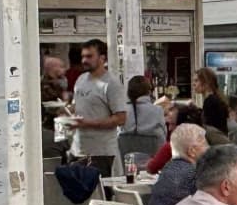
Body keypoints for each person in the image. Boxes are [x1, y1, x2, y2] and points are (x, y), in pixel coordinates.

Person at [67, 38, 125, 176]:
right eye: (83, 56)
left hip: (101, 153)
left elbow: (121, 118)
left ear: (102, 58)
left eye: (89, 56)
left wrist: (87, 123)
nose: (84, 60)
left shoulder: (111, 83)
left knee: (99, 189)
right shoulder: (81, 79)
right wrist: (66, 112)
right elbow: (77, 106)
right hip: (78, 150)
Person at [148, 123, 208, 205]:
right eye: (205, 144)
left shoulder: (167, 170)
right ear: (192, 151)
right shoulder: (193, 174)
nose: (208, 148)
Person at [146, 103, 203, 175]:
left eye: (172, 124)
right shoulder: (205, 143)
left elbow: (151, 168)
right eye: (168, 124)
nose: (169, 129)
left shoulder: (172, 147)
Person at [122, 76, 167, 151]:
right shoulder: (157, 110)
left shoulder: (122, 111)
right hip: (155, 155)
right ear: (149, 91)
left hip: (127, 155)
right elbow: (165, 134)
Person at [193, 67, 230, 134]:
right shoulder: (215, 99)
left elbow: (209, 126)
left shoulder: (210, 101)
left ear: (206, 82)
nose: (194, 84)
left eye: (196, 81)